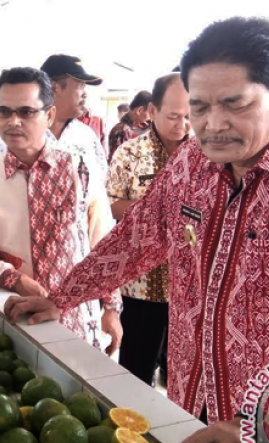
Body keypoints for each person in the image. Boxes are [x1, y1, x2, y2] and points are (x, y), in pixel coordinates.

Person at [4, 17, 269, 443]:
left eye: (233, 104)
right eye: (198, 107)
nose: (212, 126)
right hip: (193, 407)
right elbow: (136, 237)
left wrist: (260, 430)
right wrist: (62, 295)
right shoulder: (191, 162)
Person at [0, 67, 121, 350]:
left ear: (49, 115)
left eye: (26, 112)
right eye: (4, 112)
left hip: (82, 317)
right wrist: (14, 279)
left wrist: (112, 308)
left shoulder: (80, 170)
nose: (13, 122)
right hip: (21, 319)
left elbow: (103, 244)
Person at [106, 73, 190, 385]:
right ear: (152, 110)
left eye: (189, 116)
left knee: (181, 378)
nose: (182, 125)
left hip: (188, 290)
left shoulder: (205, 156)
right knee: (135, 374)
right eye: (173, 116)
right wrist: (156, 215)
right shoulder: (130, 153)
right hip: (139, 286)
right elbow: (111, 204)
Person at [41, 54, 110, 184]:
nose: (85, 94)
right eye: (80, 85)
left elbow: (102, 186)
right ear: (55, 87)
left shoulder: (87, 137)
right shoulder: (25, 133)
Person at [108, 90, 152, 162]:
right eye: (150, 113)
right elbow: (119, 163)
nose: (151, 118)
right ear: (139, 111)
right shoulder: (123, 131)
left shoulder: (128, 128)